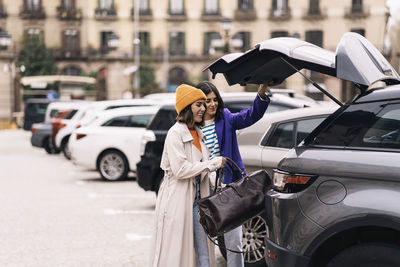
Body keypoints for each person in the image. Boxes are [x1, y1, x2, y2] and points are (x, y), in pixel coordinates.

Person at [149, 84, 227, 267]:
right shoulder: (175, 133)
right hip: (178, 199)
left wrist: (222, 190)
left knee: (204, 252)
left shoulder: (200, 133)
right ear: (187, 107)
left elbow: (202, 171)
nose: (204, 108)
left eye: (204, 104)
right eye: (199, 104)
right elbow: (181, 169)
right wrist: (212, 164)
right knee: (176, 253)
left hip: (200, 201)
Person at [196, 81, 270, 267]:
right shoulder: (193, 127)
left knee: (234, 241)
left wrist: (260, 95)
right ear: (199, 103)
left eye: (215, 100)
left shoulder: (226, 118)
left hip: (229, 188)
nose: (212, 104)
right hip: (204, 188)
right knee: (204, 242)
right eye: (207, 101)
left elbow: (251, 115)